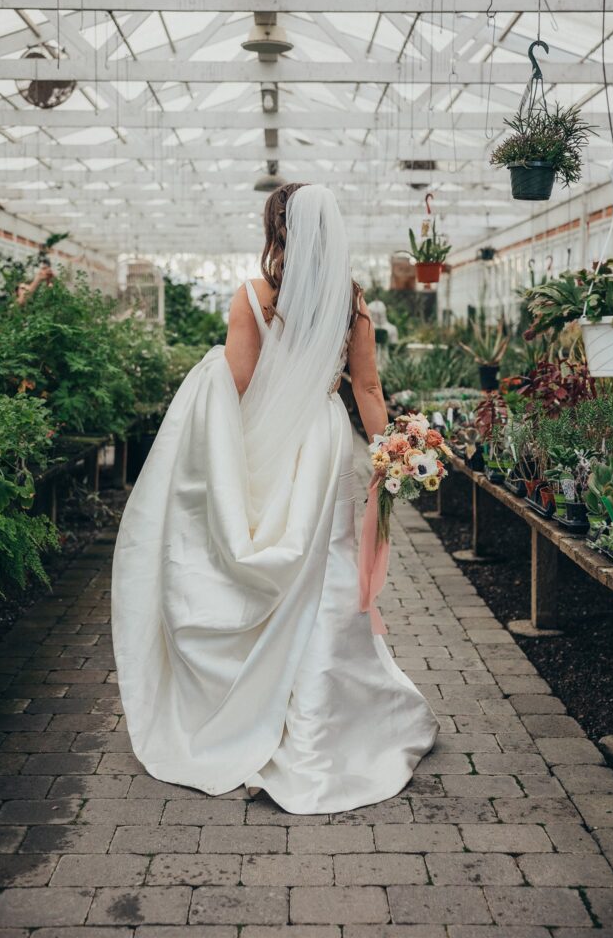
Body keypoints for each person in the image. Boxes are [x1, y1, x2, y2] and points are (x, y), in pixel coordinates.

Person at [111, 183, 438, 814]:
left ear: (276, 229)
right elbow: (368, 391)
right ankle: (330, 717)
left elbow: (235, 387)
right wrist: (396, 456)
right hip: (321, 446)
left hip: (261, 447)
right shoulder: (351, 302)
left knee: (251, 562)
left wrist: (213, 451)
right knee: (326, 576)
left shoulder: (253, 297)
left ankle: (246, 707)